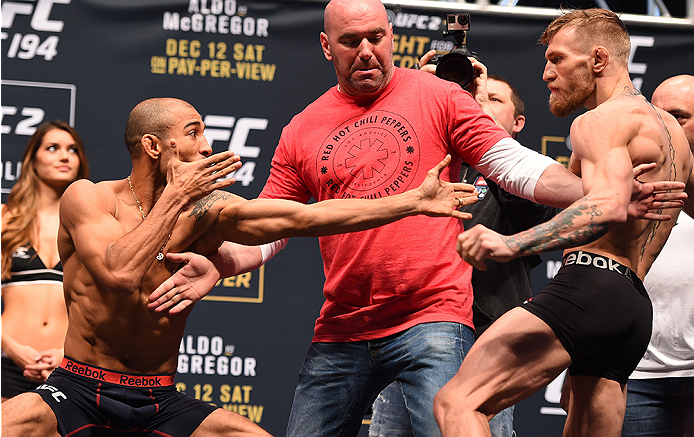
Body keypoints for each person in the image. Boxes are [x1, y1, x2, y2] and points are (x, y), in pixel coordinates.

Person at [148, 2, 684, 436]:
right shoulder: (301, 128)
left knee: (459, 414)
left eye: (376, 37)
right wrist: (228, 263)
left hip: (432, 316)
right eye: (351, 40)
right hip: (343, 324)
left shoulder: (436, 94)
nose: (366, 50)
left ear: (391, 36)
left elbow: (512, 164)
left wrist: (598, 192)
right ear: (326, 46)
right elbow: (277, 222)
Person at [0, 96, 477, 437]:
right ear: (153, 147)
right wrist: (178, 196)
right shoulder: (89, 197)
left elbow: (305, 216)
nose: (208, 146)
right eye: (193, 133)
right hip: (81, 387)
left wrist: (412, 201)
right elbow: (120, 272)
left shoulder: (208, 211)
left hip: (157, 398)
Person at [434, 9, 694, 437]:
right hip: (631, 306)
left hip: (588, 288)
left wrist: (511, 244)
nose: (545, 74)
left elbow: (606, 207)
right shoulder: (672, 132)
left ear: (597, 60)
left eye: (556, 59)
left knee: (458, 402)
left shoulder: (600, 120)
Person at [369, 73, 560, 437]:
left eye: (494, 100)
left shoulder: (530, 173)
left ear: (518, 123)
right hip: (408, 330)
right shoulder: (428, 166)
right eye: (473, 98)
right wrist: (417, 100)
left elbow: (536, 217)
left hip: (485, 339)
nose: (478, 103)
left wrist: (482, 125)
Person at [621, 74, 694, 437]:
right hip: (637, 374)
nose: (664, 127)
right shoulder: (624, 179)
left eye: (677, 117)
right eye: (656, 116)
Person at [1, 121, 89, 403]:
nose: (64, 156)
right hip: (7, 361)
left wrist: (68, 355)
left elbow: (107, 308)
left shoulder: (94, 228)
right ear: (33, 160)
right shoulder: (5, 219)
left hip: (69, 366)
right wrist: (12, 349)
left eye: (72, 150)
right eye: (53, 148)